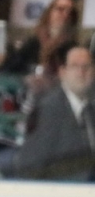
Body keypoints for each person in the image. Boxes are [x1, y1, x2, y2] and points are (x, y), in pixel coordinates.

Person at [15, 43, 95, 181]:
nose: (81, 72)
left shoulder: (90, 108)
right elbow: (30, 163)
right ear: (62, 72)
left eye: (86, 67)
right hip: (61, 191)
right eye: (75, 66)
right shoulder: (46, 109)